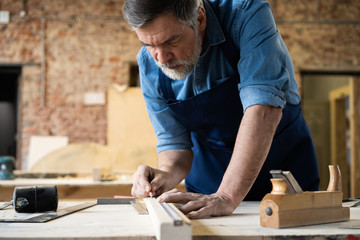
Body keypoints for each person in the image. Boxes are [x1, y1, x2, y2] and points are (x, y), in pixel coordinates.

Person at [122, 0, 319, 219]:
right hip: (208, 189)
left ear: (200, 18)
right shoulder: (149, 66)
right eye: (148, 45)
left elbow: (263, 109)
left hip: (283, 181)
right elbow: (174, 145)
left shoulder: (246, 14)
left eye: (172, 41)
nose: (161, 58)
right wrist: (165, 175)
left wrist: (226, 196)